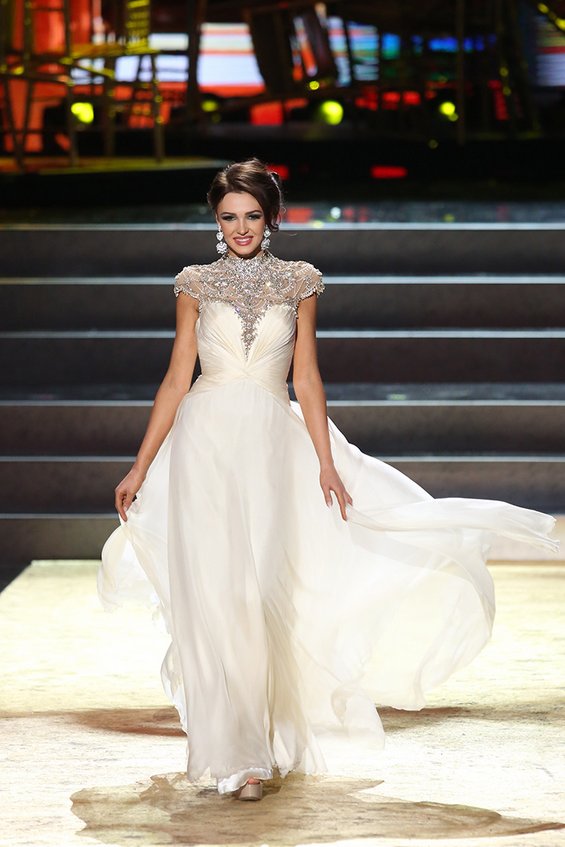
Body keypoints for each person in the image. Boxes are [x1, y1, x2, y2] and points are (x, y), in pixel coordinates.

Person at [99, 158, 559, 802]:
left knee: (263, 589)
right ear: (215, 220)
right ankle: (237, 753)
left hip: (269, 443)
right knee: (215, 593)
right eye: (228, 217)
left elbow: (307, 377)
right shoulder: (194, 284)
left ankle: (261, 744)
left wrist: (325, 460)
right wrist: (141, 465)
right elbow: (177, 378)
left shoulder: (300, 282)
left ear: (271, 218)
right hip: (202, 444)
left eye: (251, 216)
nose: (240, 228)